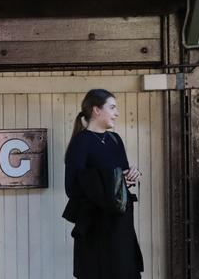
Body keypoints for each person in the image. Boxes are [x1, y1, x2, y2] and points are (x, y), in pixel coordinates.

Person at [62, 89, 143, 279]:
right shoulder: (81, 142)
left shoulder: (115, 140)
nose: (117, 113)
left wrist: (129, 177)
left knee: (125, 271)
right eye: (112, 107)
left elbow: (119, 180)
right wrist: (111, 179)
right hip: (96, 226)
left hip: (120, 223)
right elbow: (72, 187)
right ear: (96, 110)